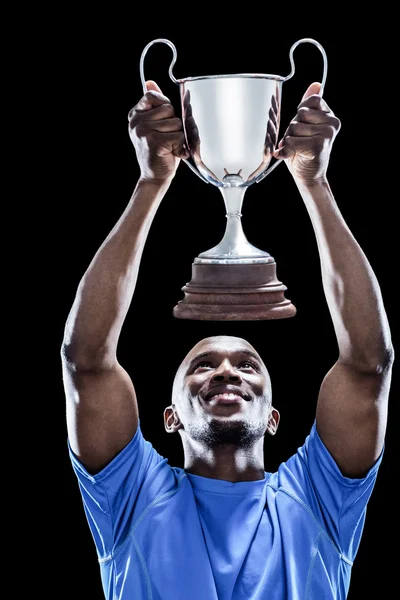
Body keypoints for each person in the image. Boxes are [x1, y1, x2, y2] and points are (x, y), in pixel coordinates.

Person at [61, 79, 394, 600]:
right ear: (167, 417)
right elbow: (86, 362)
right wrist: (151, 182)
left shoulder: (319, 498)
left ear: (274, 416)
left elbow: (368, 365)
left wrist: (315, 183)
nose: (225, 371)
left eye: (247, 364)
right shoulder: (130, 496)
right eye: (201, 365)